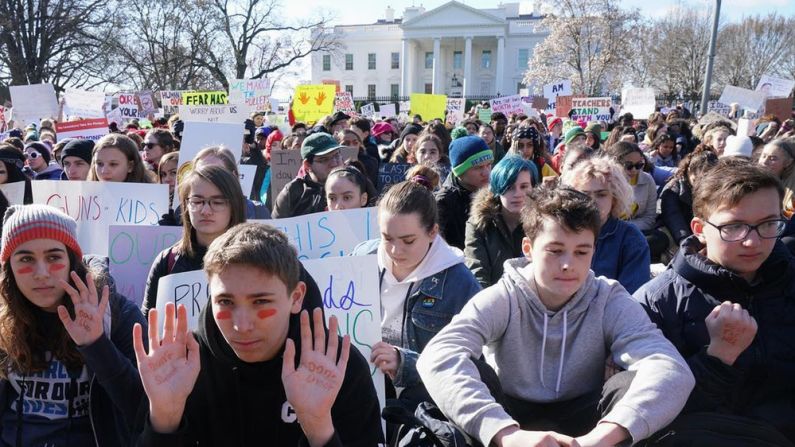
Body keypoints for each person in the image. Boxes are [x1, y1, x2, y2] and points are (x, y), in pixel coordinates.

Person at [417, 187, 694, 447]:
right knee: (472, 372)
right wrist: (505, 434)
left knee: (632, 384)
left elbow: (670, 369)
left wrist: (604, 436)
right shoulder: (504, 297)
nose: (568, 264)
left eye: (581, 252)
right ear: (528, 249)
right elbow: (438, 355)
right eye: (555, 250)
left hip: (589, 423)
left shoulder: (609, 299)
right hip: (511, 418)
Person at [132, 223, 384, 446]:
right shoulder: (182, 365)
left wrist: (318, 427)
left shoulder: (336, 366)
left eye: (261, 302)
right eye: (226, 302)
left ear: (296, 297)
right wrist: (165, 419)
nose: (242, 325)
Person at [634, 160, 795, 443]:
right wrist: (719, 358)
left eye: (768, 224)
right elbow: (643, 410)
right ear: (698, 227)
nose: (752, 242)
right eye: (733, 227)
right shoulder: (656, 302)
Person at [0, 204, 146, 445]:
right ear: (9, 268)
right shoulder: (4, 318)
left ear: (72, 261)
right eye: (26, 258)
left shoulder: (116, 315)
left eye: (54, 257)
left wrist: (97, 345)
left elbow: (143, 411)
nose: (41, 273)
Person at [351, 167, 481, 410]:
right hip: (363, 397)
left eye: (408, 241)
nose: (395, 251)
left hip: (426, 408)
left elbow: (472, 364)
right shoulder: (361, 257)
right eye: (387, 238)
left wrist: (404, 363)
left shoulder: (460, 283)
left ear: (433, 232)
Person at [142, 165, 246, 316]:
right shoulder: (167, 260)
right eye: (197, 201)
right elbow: (148, 321)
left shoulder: (253, 260)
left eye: (217, 202)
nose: (205, 211)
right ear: (186, 205)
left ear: (234, 206)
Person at [561, 156, 651, 293]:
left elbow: (632, 297)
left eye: (601, 195)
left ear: (614, 198)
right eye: (584, 194)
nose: (592, 201)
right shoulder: (561, 231)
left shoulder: (631, 239)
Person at [465, 155, 536, 289]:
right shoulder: (479, 223)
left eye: (524, 186)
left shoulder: (544, 222)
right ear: (497, 189)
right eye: (509, 187)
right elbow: (477, 273)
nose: (517, 194)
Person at [607, 141, 668, 262]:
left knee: (659, 239)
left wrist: (626, 228)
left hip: (634, 230)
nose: (634, 170)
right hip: (609, 233)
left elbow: (649, 217)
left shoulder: (647, 179)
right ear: (615, 162)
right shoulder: (606, 182)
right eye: (629, 165)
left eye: (639, 165)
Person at [435, 135, 494, 250]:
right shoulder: (443, 202)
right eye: (478, 167)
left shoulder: (496, 191)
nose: (486, 172)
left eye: (489, 165)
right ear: (460, 171)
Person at [273, 133, 342, 219]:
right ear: (307, 165)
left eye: (337, 155)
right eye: (324, 159)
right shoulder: (292, 192)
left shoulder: (354, 183)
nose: (334, 163)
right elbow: (276, 229)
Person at [660, 147, 719, 245]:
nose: (700, 184)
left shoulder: (718, 188)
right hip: (680, 234)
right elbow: (675, 221)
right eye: (697, 179)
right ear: (689, 171)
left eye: (706, 179)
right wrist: (689, 244)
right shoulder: (672, 190)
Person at [88, 134, 154, 183]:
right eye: (99, 164)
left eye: (113, 164)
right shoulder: (85, 197)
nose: (104, 171)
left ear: (130, 166)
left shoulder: (151, 197)